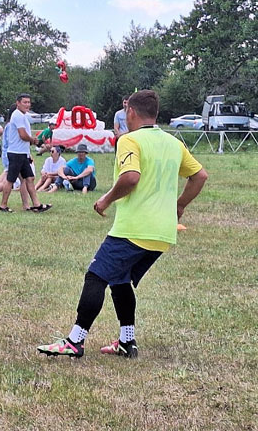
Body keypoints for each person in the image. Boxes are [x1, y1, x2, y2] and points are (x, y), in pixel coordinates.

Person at [37, 90, 208, 359]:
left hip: (134, 228)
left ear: (130, 112)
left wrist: (105, 199)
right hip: (162, 233)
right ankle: (127, 341)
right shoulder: (173, 142)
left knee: (96, 275)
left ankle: (74, 340)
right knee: (119, 279)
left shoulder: (129, 140)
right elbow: (200, 175)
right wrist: (180, 205)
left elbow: (130, 178)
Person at [0, 94, 50, 213]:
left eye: (29, 102)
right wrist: (33, 140)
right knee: (10, 179)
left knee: (30, 178)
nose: (27, 105)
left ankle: (36, 204)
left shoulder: (23, 116)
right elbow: (22, 134)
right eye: (25, 102)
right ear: (18, 103)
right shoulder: (17, 115)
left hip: (22, 153)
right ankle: (3, 205)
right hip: (16, 153)